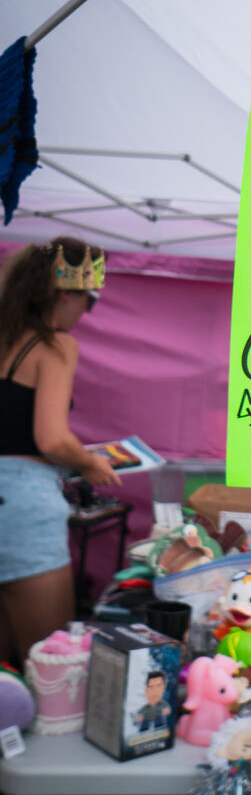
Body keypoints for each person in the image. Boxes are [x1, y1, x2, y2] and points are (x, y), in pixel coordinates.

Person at [0, 238, 121, 663]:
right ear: (66, 293)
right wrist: (90, 464)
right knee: (53, 664)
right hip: (21, 505)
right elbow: (51, 437)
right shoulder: (54, 346)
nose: (85, 314)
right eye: (89, 302)